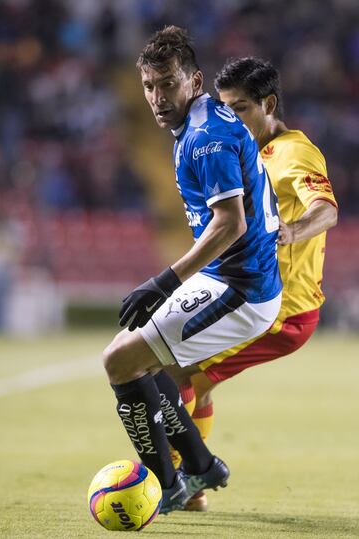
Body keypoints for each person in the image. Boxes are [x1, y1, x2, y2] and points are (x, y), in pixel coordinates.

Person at [102, 29, 282, 513]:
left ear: (195, 80)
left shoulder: (205, 138)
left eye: (167, 84)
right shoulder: (200, 124)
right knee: (143, 361)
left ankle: (167, 485)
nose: (157, 98)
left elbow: (230, 223)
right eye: (148, 86)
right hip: (231, 276)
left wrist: (164, 281)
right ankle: (199, 463)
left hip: (241, 287)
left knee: (120, 362)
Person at [171, 57, 338, 511]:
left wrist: (292, 230)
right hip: (256, 300)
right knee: (198, 383)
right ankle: (192, 490)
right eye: (224, 109)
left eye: (241, 108)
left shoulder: (294, 152)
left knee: (176, 375)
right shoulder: (247, 147)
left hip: (284, 312)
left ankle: (160, 478)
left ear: (269, 103)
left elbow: (327, 209)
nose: (232, 119)